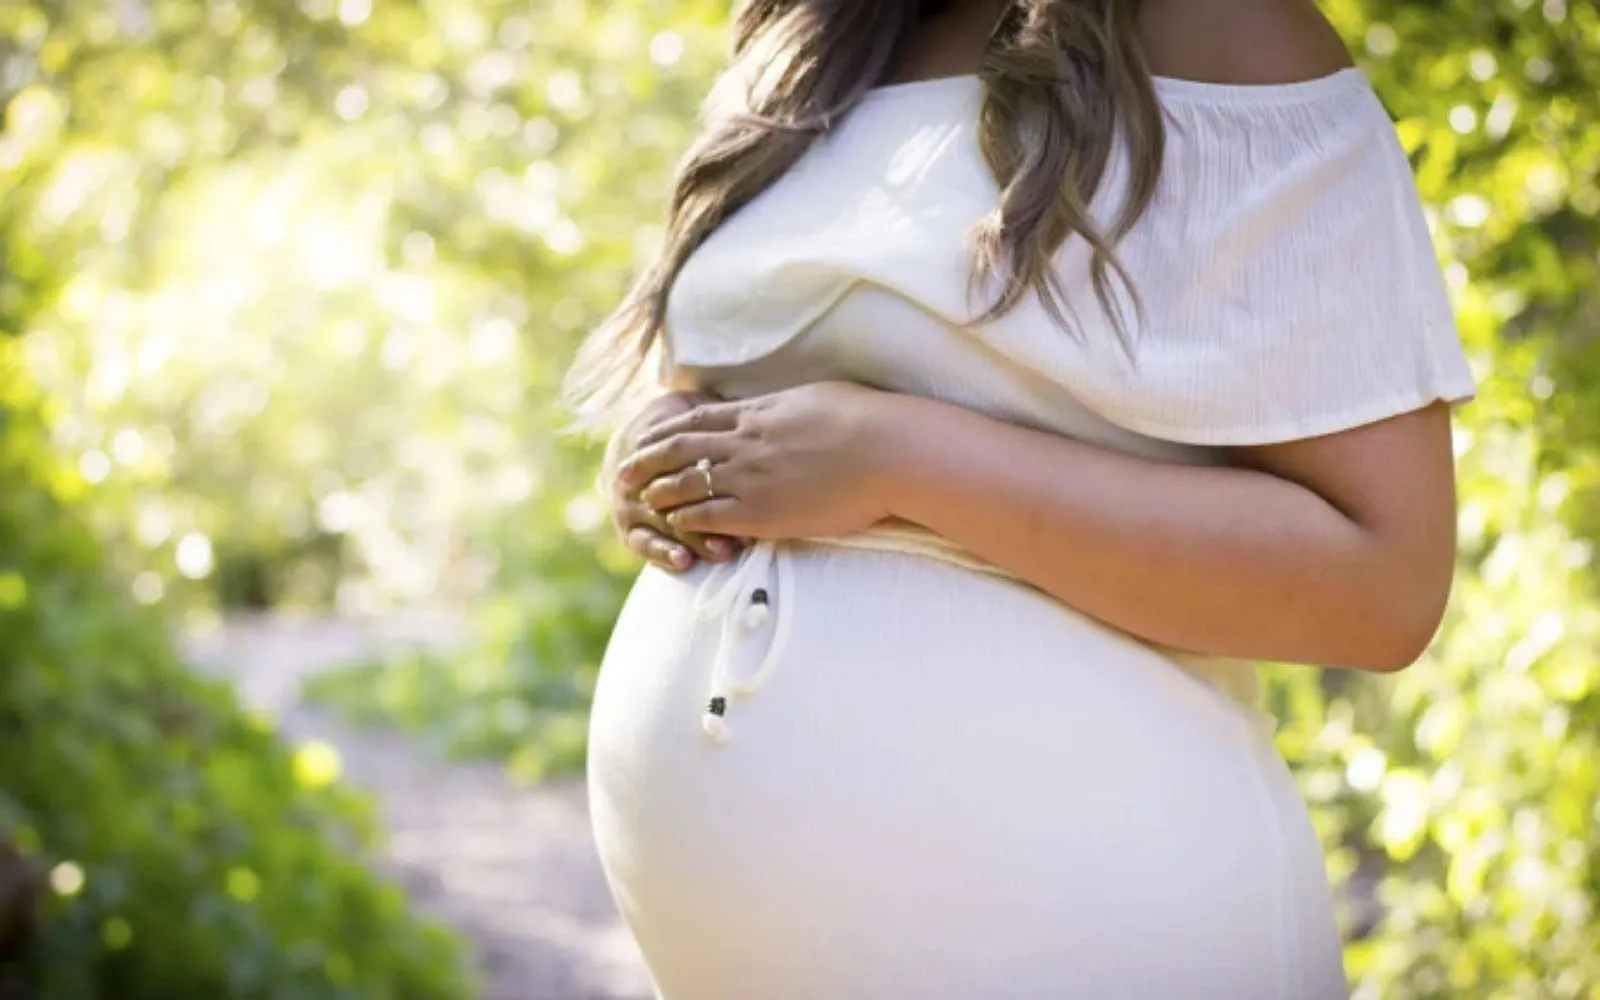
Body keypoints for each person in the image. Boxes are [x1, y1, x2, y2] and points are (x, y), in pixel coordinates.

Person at [565, 1, 1475, 997]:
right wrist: (664, 446)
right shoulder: (810, 45)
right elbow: (721, 374)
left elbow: (1382, 581)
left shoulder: (1222, 31)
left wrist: (901, 458)